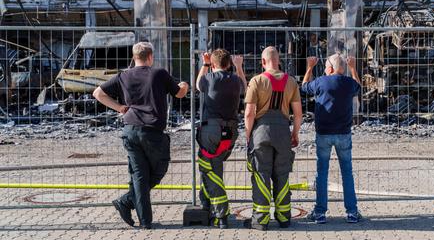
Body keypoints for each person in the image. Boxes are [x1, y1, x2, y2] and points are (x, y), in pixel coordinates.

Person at [93, 42, 189, 229]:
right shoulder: (158, 74)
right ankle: (127, 201)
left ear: (134, 57)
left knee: (139, 176)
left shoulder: (123, 75)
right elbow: (179, 94)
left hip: (130, 129)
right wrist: (184, 84)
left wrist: (119, 108)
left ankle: (143, 219)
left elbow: (98, 93)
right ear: (150, 57)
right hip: (152, 131)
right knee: (159, 170)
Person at [243, 46, 302, 230]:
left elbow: (249, 113)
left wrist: (248, 136)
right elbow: (298, 113)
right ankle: (284, 218)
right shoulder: (291, 82)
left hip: (261, 133)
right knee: (282, 175)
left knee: (261, 175)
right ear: (279, 60)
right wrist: (295, 133)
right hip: (283, 133)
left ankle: (260, 220)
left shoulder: (257, 81)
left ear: (262, 62)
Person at [301, 53, 362, 224]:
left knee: (322, 173)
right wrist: (352, 67)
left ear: (330, 68)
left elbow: (304, 86)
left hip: (324, 134)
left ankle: (320, 212)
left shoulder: (321, 81)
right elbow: (358, 85)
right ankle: (352, 212)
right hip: (344, 133)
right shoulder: (349, 83)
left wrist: (310, 67)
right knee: (347, 173)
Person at [195, 49, 247, 229]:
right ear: (230, 64)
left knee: (211, 170)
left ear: (214, 65)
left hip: (211, 131)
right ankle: (206, 204)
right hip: (230, 132)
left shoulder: (209, 78)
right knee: (210, 167)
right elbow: (244, 88)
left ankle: (221, 214)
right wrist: (239, 67)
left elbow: (197, 85)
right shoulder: (234, 80)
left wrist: (205, 64)